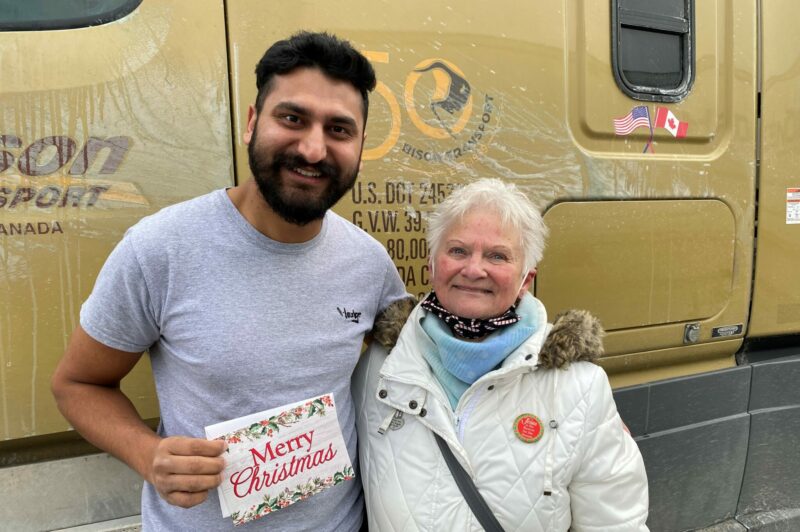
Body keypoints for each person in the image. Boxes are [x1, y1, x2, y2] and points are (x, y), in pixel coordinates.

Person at [51, 32, 408, 531]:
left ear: (360, 147)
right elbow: (77, 384)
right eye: (292, 118)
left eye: (339, 129)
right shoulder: (161, 249)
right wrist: (148, 455)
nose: (312, 148)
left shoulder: (370, 265)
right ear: (250, 123)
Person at [353, 178, 649, 531]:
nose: (474, 269)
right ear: (433, 266)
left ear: (526, 278)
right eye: (458, 251)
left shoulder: (579, 386)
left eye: (497, 255)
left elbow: (615, 523)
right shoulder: (380, 365)